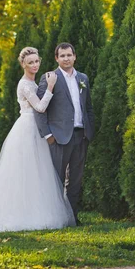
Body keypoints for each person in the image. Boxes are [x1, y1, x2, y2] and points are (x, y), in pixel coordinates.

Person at [0, 47, 75, 233]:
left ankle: (38, 210)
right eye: (30, 62)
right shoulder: (24, 84)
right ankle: (21, 213)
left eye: (36, 61)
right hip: (27, 129)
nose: (34, 65)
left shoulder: (34, 81)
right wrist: (51, 87)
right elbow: (39, 107)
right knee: (24, 171)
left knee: (39, 172)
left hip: (36, 129)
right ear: (23, 64)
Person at [35, 42, 95, 225]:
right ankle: (53, 219)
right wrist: (48, 135)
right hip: (59, 137)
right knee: (56, 180)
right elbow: (40, 109)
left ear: (75, 56)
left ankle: (71, 218)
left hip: (80, 135)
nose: (66, 58)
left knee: (75, 181)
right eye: (62, 56)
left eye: (69, 55)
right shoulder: (49, 78)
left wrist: (89, 130)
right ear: (57, 58)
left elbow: (88, 107)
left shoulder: (83, 78)